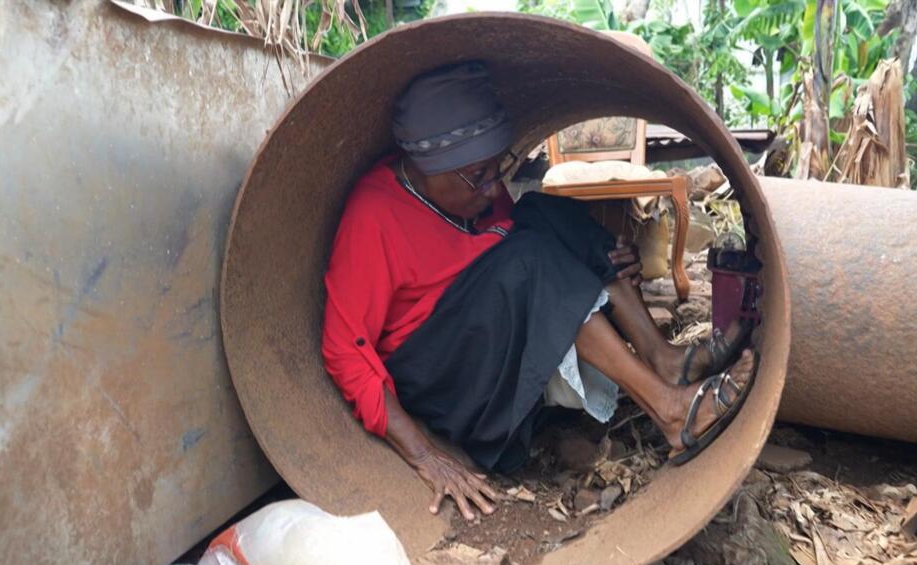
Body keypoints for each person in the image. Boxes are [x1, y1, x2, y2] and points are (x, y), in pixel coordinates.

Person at [322, 61, 756, 521]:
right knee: (532, 261)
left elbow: (516, 231)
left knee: (544, 213)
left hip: (486, 334)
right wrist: (422, 453)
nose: (492, 189)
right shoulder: (372, 216)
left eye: (497, 168)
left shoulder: (473, 188)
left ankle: (664, 359)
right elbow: (343, 352)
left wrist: (601, 261)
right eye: (478, 176)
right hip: (444, 381)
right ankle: (672, 413)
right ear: (430, 169)